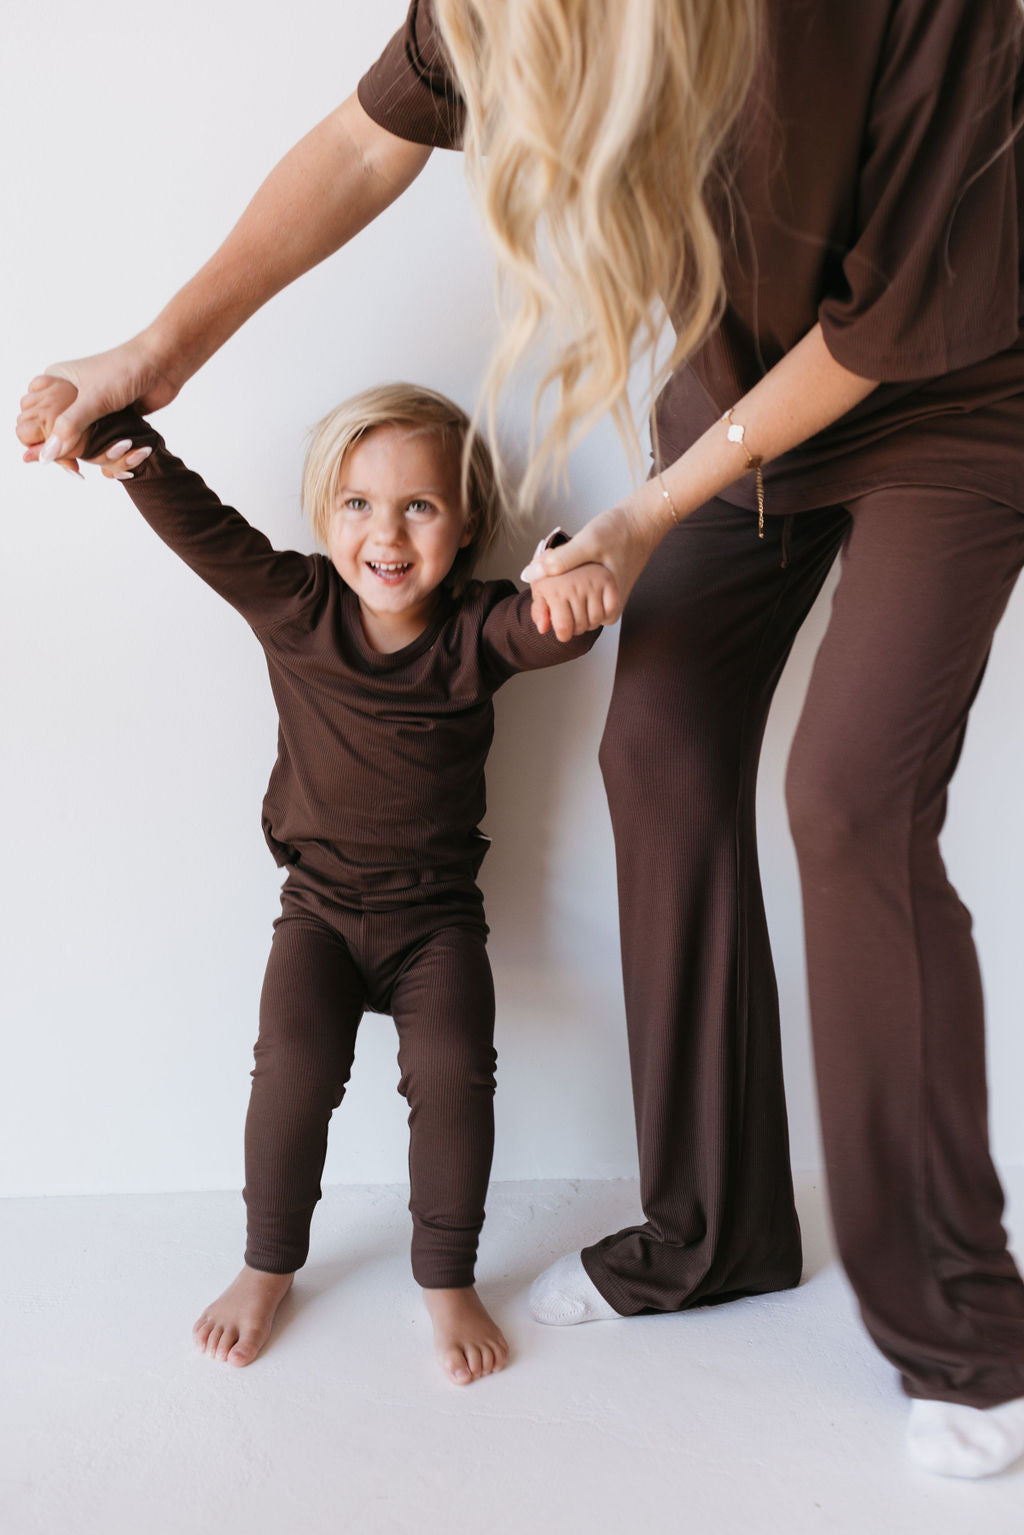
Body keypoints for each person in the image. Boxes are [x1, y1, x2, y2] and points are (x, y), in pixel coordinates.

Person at [17, 0, 1024, 1477]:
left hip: (949, 387)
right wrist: (157, 353)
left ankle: (968, 1335)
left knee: (848, 799)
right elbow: (374, 138)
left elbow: (883, 327)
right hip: (746, 390)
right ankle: (710, 1233)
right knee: (661, 751)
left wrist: (643, 510)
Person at [39, 376, 605, 1384]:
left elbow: (547, 626)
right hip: (318, 917)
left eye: (419, 505)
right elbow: (203, 527)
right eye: (358, 504)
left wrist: (577, 585)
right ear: (322, 514)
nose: (386, 534)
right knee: (291, 1074)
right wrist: (115, 433)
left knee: (452, 1073)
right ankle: (267, 1264)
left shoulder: (477, 628)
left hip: (437, 924)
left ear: (465, 519)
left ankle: (445, 1276)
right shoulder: (296, 603)